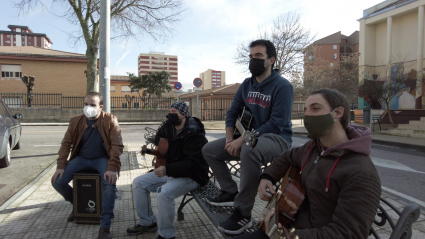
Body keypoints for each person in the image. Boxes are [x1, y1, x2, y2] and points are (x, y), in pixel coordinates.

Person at [238, 88, 381, 239]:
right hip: (287, 225)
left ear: (338, 113)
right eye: (306, 110)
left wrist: (288, 237)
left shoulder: (362, 173)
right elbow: (288, 156)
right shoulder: (313, 148)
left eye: (316, 109)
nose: (307, 115)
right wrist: (268, 176)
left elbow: (349, 233)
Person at [202, 39, 294, 235]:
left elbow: (276, 123)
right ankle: (229, 191)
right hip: (249, 139)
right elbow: (231, 113)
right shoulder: (246, 85)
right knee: (209, 150)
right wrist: (229, 141)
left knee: (249, 149)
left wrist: (242, 140)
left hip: (278, 139)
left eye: (258, 56)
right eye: (251, 57)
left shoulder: (282, 86)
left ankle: (243, 213)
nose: (253, 60)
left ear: (271, 60)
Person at [126, 102, 209, 239]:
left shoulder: (194, 134)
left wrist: (167, 169)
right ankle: (148, 222)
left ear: (183, 114)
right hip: (171, 171)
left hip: (193, 176)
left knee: (164, 193)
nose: (170, 114)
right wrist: (159, 148)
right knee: (138, 183)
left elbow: (193, 164)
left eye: (174, 111)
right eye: (169, 110)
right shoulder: (168, 126)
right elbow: (159, 137)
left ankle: (167, 235)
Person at [51, 92, 124, 239]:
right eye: (86, 104)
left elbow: (117, 145)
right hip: (81, 158)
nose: (88, 107)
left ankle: (105, 225)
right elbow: (66, 144)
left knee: (109, 185)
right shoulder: (75, 121)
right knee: (58, 182)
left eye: (92, 105)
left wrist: (111, 168)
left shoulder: (110, 120)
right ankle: (78, 207)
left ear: (100, 107)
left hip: (102, 159)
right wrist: (60, 165)